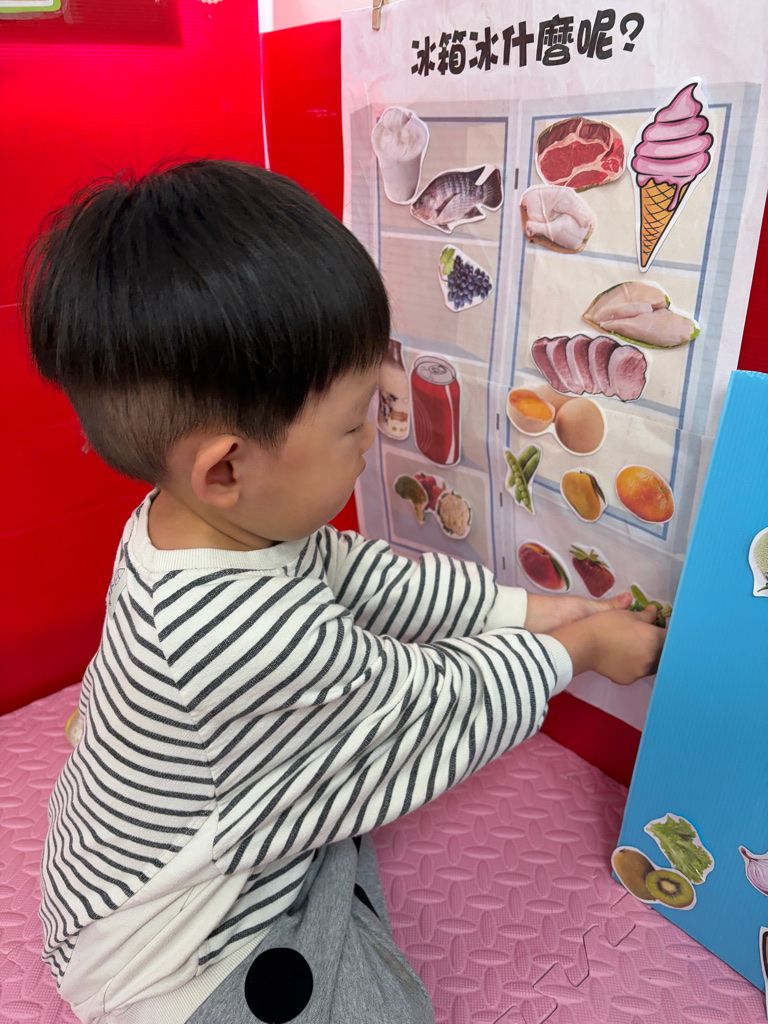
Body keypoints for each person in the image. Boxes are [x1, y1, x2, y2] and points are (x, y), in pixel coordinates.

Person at [24, 159, 666, 1024]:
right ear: (226, 469)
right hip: (167, 956)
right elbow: (430, 704)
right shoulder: (246, 632)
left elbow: (362, 578)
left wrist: (532, 610)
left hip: (150, 845)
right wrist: (577, 650)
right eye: (352, 419)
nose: (374, 432)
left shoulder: (186, 522)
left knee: (342, 816)